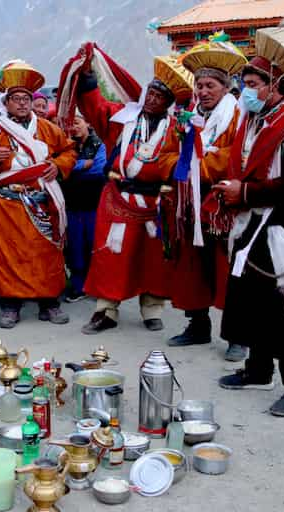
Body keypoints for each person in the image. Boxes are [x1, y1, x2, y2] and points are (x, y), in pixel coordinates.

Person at [215, 27, 284, 417]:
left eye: (251, 83)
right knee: (253, 301)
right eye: (244, 83)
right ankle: (258, 370)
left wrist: (243, 194)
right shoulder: (253, 121)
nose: (245, 90)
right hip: (251, 225)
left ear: (274, 84)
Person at [62, 47, 187, 334]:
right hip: (118, 199)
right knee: (110, 255)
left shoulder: (176, 129)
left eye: (161, 97)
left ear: (168, 102)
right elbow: (95, 107)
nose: (154, 100)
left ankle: (152, 308)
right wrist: (89, 75)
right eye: (151, 94)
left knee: (153, 257)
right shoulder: (123, 119)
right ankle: (105, 311)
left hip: (155, 202)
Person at [0, 60, 77, 328]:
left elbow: (69, 151)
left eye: (26, 98)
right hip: (7, 203)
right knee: (8, 255)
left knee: (47, 252)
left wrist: (57, 166)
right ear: (5, 103)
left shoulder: (48, 129)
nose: (22, 103)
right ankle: (10, 305)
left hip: (42, 200)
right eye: (16, 98)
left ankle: (49, 302)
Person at [166, 35, 249, 361]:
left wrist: (201, 162)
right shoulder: (187, 118)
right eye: (199, 85)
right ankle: (197, 325)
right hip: (189, 203)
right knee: (192, 268)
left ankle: (237, 335)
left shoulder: (238, 116)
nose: (202, 91)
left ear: (226, 87)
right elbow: (172, 154)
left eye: (210, 85)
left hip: (220, 205)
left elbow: (238, 155)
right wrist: (182, 163)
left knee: (228, 271)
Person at [63, 113, 106, 302]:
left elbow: (99, 169)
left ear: (88, 123)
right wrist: (81, 165)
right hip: (72, 204)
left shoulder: (100, 145)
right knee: (75, 245)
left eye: (77, 123)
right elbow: (59, 168)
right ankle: (78, 285)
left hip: (93, 203)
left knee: (94, 243)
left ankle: (97, 284)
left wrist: (71, 169)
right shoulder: (66, 145)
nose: (74, 128)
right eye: (70, 125)